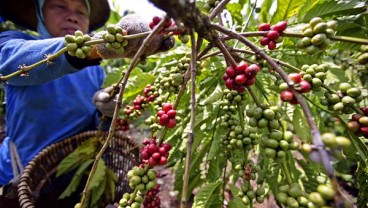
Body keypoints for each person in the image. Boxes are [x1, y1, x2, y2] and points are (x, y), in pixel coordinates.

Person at [0, 0, 173, 189]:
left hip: (76, 171)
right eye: (59, 6)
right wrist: (92, 48)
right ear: (40, 13)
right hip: (19, 174)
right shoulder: (15, 42)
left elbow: (94, 125)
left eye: (81, 12)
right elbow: (9, 62)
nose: (72, 16)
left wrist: (104, 113)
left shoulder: (96, 71)